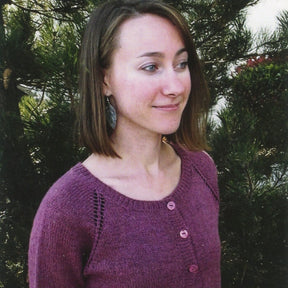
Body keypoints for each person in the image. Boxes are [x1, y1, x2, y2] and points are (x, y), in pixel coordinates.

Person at [28, 0, 221, 287]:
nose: (176, 86)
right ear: (104, 79)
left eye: (181, 64)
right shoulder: (66, 209)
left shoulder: (201, 168)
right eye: (151, 66)